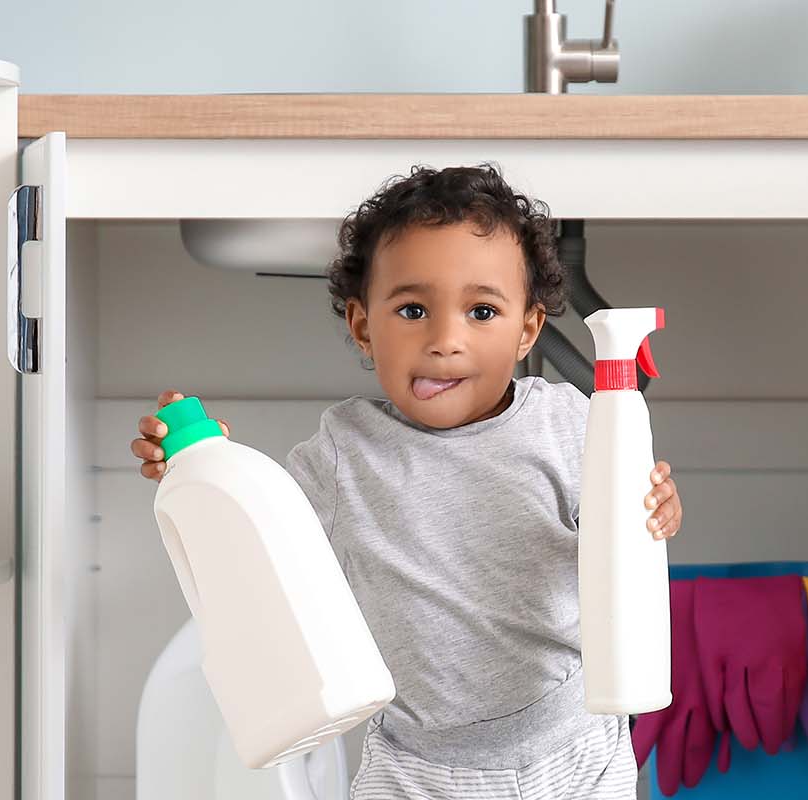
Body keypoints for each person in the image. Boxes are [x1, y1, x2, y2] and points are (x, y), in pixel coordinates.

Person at [133, 164, 684, 799]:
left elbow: (627, 536)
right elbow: (261, 543)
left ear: (527, 329)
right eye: (414, 309)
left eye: (481, 311)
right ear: (364, 326)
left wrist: (660, 510)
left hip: (570, 748)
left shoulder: (572, 424)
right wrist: (202, 460)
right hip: (415, 767)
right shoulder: (344, 453)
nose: (445, 340)